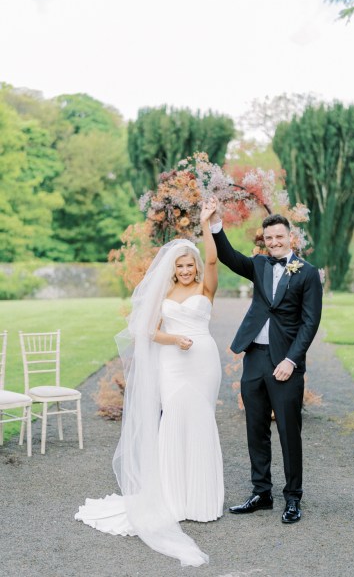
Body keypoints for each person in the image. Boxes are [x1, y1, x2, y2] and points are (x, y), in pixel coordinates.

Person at [75, 200, 223, 566]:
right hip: (174, 363)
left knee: (201, 419)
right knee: (173, 418)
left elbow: (214, 261)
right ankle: (173, 499)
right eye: (181, 266)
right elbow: (148, 331)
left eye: (190, 264)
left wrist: (207, 224)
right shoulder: (166, 295)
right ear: (172, 270)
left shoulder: (206, 289)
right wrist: (174, 340)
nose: (187, 269)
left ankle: (203, 500)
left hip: (204, 361)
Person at [209, 206, 322, 524]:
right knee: (255, 428)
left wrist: (291, 360)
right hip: (255, 358)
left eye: (279, 236)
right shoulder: (258, 264)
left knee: (289, 431)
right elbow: (230, 257)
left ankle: (293, 498)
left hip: (286, 361)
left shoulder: (307, 272)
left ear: (290, 237)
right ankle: (261, 493)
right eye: (269, 237)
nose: (274, 241)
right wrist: (216, 224)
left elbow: (310, 323)